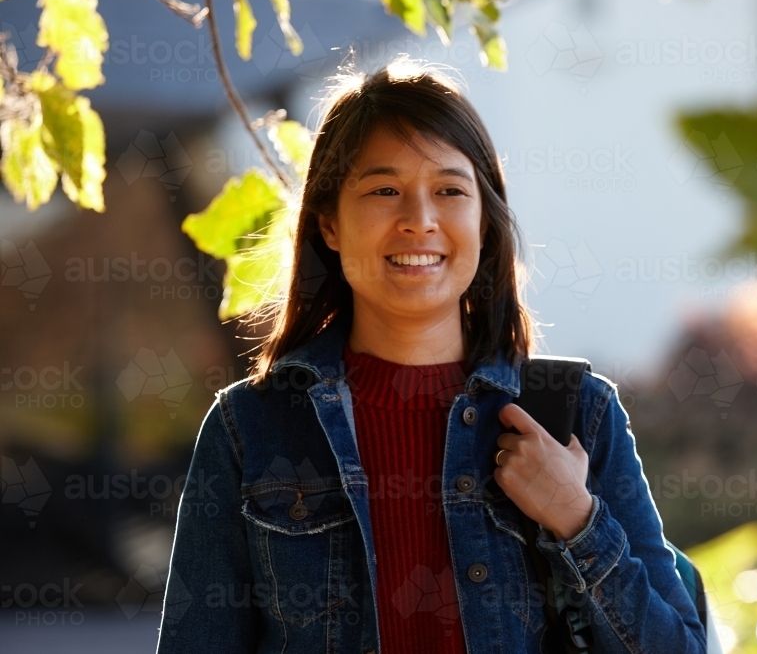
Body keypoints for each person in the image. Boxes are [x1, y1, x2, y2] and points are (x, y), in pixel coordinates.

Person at [155, 56, 707, 654]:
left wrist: (576, 520)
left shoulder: (578, 417)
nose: (419, 221)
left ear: (485, 222)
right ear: (329, 224)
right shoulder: (251, 429)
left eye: (449, 190)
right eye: (384, 190)